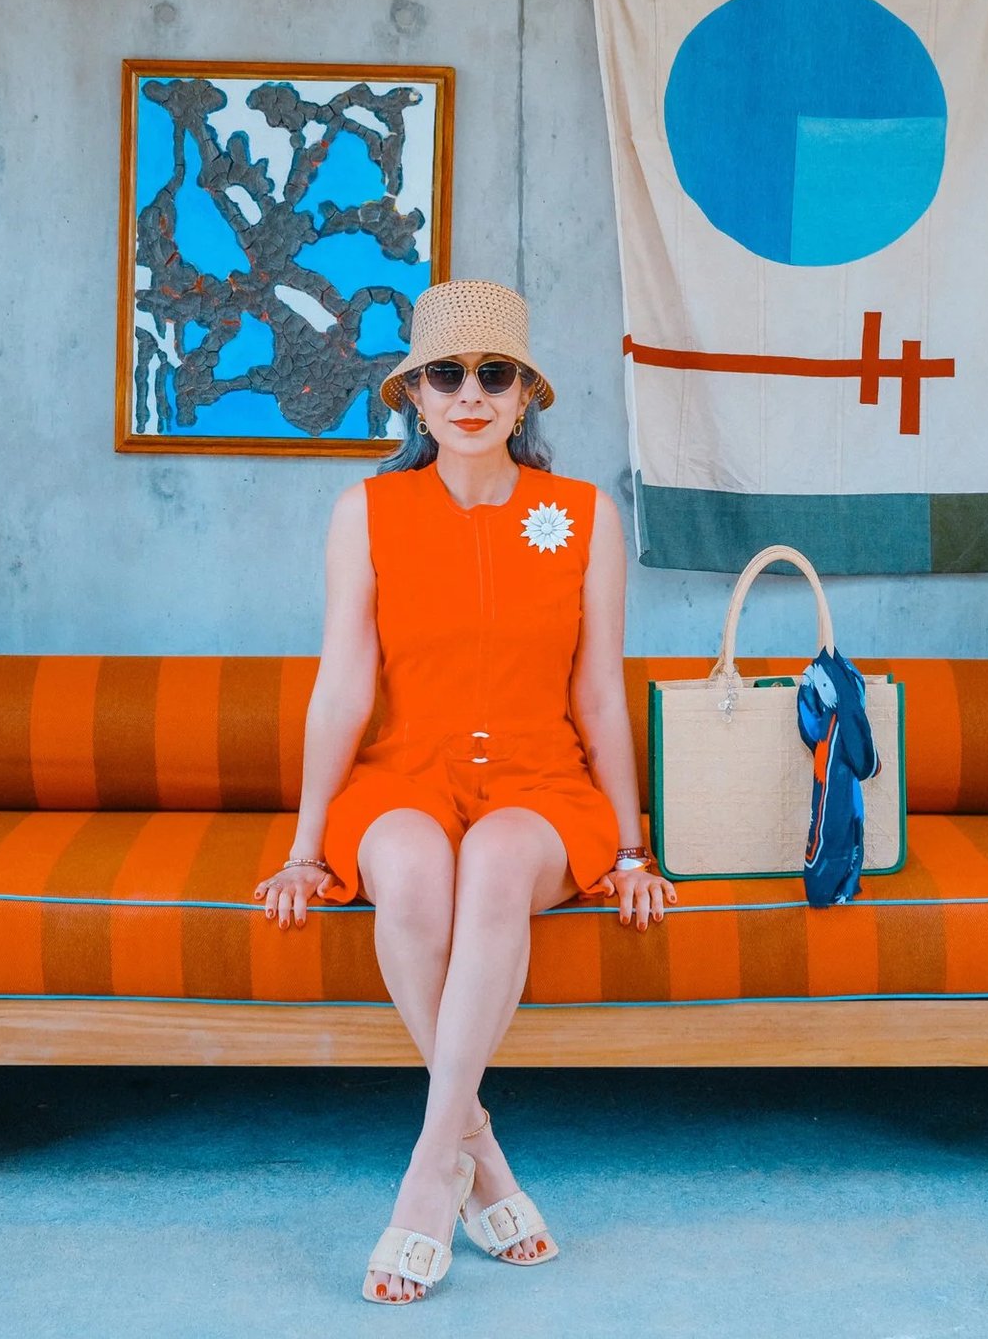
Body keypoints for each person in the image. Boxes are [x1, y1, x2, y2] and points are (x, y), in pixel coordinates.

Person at [252, 278, 677, 1305]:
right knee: (407, 870)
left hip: (541, 783)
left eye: (495, 374)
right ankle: (478, 1156)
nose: (470, 393)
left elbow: (599, 695)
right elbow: (343, 685)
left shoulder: (583, 516)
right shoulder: (367, 509)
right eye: (447, 374)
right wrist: (309, 847)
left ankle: (424, 1175)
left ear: (526, 395)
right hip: (402, 773)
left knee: (490, 863)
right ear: (415, 398)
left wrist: (629, 846)